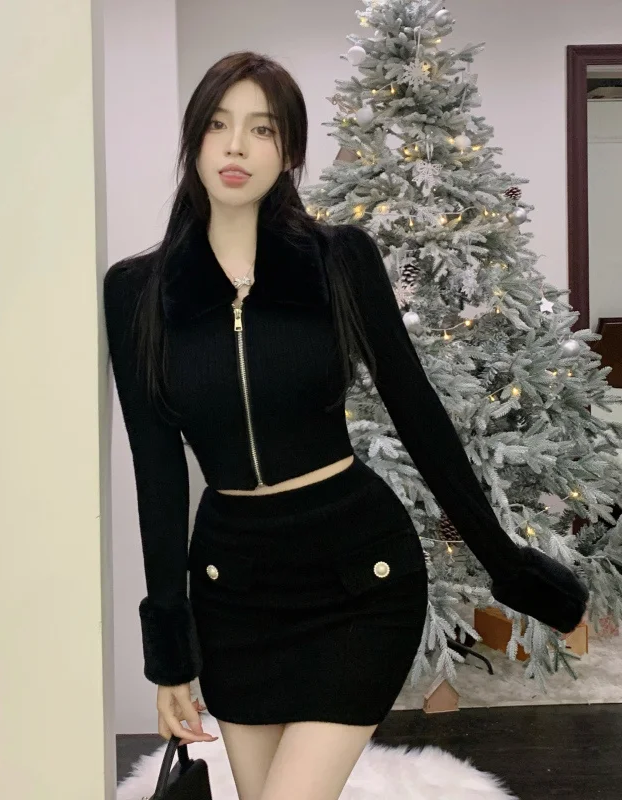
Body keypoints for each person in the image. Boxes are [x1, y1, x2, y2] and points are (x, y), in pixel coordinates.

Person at [103, 51, 590, 800]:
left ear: (289, 151)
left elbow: (419, 414)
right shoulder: (137, 291)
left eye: (262, 129)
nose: (236, 147)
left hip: (356, 573)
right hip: (235, 589)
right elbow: (157, 470)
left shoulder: (337, 261)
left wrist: (511, 567)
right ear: (194, 140)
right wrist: (170, 651)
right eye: (218, 125)